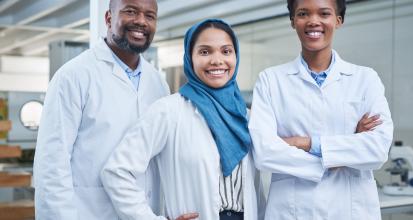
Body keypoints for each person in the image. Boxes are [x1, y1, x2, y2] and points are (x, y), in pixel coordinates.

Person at [101, 19, 265, 220]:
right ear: (190, 58)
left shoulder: (246, 116)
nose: (217, 60)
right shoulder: (169, 111)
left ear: (236, 57)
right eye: (205, 52)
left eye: (226, 51)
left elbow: (257, 190)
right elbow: (117, 171)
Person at [248, 0, 393, 219]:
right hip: (292, 211)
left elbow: (378, 148)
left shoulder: (365, 79)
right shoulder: (270, 80)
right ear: (293, 21)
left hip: (352, 210)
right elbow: (264, 153)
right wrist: (342, 152)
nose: (313, 21)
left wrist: (305, 143)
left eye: (324, 13)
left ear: (338, 20)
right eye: (303, 13)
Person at [33, 0, 169, 219]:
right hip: (89, 212)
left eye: (149, 16)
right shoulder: (73, 76)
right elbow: (51, 166)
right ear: (108, 18)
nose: (141, 21)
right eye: (131, 11)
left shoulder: (159, 83)